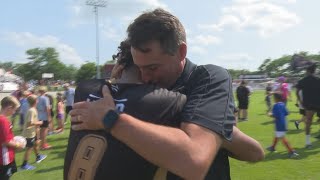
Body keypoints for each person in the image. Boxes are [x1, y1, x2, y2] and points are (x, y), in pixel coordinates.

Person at [70, 8, 253, 179]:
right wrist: (122, 88)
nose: (146, 77)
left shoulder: (207, 78)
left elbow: (195, 162)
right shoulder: (142, 88)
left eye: (152, 67)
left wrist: (111, 119)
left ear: (181, 52)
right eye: (139, 68)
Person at [266, 93, 299, 158]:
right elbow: (287, 113)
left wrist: (269, 114)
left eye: (273, 98)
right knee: (277, 135)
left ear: (275, 99)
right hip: (284, 123)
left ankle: (291, 152)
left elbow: (275, 115)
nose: (273, 99)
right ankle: (272, 147)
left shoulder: (275, 105)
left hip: (279, 124)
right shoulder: (283, 104)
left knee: (282, 138)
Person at [296, 64, 320, 148]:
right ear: (314, 71)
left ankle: (308, 143)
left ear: (307, 71)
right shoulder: (318, 79)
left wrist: (301, 102)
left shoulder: (302, 80)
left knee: (308, 123)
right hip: (318, 103)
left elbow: (297, 92)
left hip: (308, 104)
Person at [21, 95, 47, 170]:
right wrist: (39, 123)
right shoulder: (32, 110)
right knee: (29, 148)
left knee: (36, 143)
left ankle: (38, 156)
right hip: (29, 133)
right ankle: (24, 164)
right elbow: (30, 123)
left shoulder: (33, 109)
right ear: (36, 101)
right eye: (37, 99)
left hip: (33, 131)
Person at [0, 96, 23, 180]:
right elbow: (5, 142)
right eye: (14, 110)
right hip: (4, 159)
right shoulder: (3, 121)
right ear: (9, 108)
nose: (14, 112)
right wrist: (18, 145)